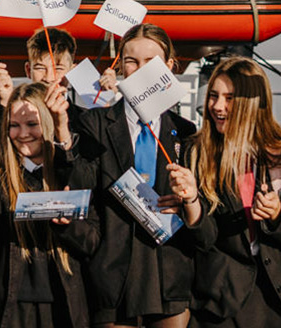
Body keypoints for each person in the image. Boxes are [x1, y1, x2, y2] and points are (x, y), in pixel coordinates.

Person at [69, 22, 199, 328]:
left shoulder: (185, 132)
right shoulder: (94, 124)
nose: (140, 71)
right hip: (114, 276)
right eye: (131, 61)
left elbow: (201, 215)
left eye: (150, 62)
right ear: (120, 66)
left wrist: (188, 200)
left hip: (168, 273)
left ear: (168, 67)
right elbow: (83, 188)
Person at [191, 59, 281, 328]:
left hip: (279, 299)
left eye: (229, 98)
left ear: (252, 102)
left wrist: (278, 215)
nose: (218, 107)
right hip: (222, 301)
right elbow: (201, 237)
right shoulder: (197, 153)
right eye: (213, 96)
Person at [0, 81, 97, 328]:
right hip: (11, 308)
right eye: (14, 125)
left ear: (47, 122)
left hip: (63, 307)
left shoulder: (71, 174)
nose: (23, 134)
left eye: (32, 124)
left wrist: (67, 226)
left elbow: (92, 242)